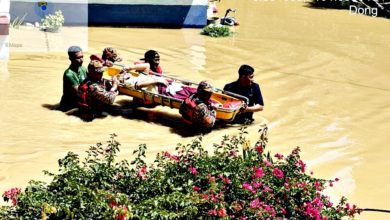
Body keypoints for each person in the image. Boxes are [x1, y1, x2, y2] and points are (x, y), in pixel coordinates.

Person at [59, 45, 87, 111]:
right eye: (78, 58)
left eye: (82, 57)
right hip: (68, 107)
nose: (81, 60)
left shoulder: (83, 69)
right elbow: (79, 93)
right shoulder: (69, 74)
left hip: (79, 103)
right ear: (70, 58)